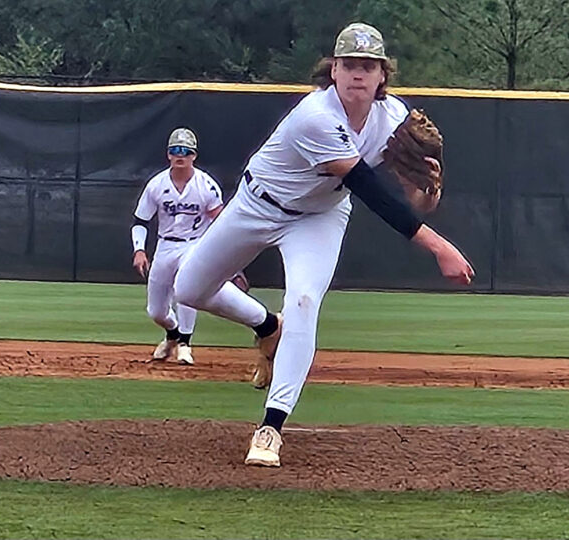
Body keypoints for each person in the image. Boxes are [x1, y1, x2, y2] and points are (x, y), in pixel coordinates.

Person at [173, 23, 474, 467]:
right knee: (188, 290)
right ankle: (264, 326)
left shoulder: (393, 118)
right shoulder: (315, 115)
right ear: (332, 70)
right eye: (348, 64)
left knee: (305, 302)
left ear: (381, 75)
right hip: (258, 204)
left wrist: (428, 188)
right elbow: (367, 187)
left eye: (368, 66)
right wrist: (439, 247)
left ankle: (271, 427)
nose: (357, 74)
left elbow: (412, 199)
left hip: (319, 218)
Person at [131, 128, 224, 365]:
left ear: (194, 155)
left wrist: (223, 256)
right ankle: (173, 333)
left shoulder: (206, 186)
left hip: (194, 244)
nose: (180, 155)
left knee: (186, 287)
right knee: (156, 311)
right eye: (175, 150)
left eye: (185, 151)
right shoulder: (157, 185)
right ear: (168, 155)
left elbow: (220, 221)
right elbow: (141, 220)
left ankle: (185, 343)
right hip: (165, 245)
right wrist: (139, 250)